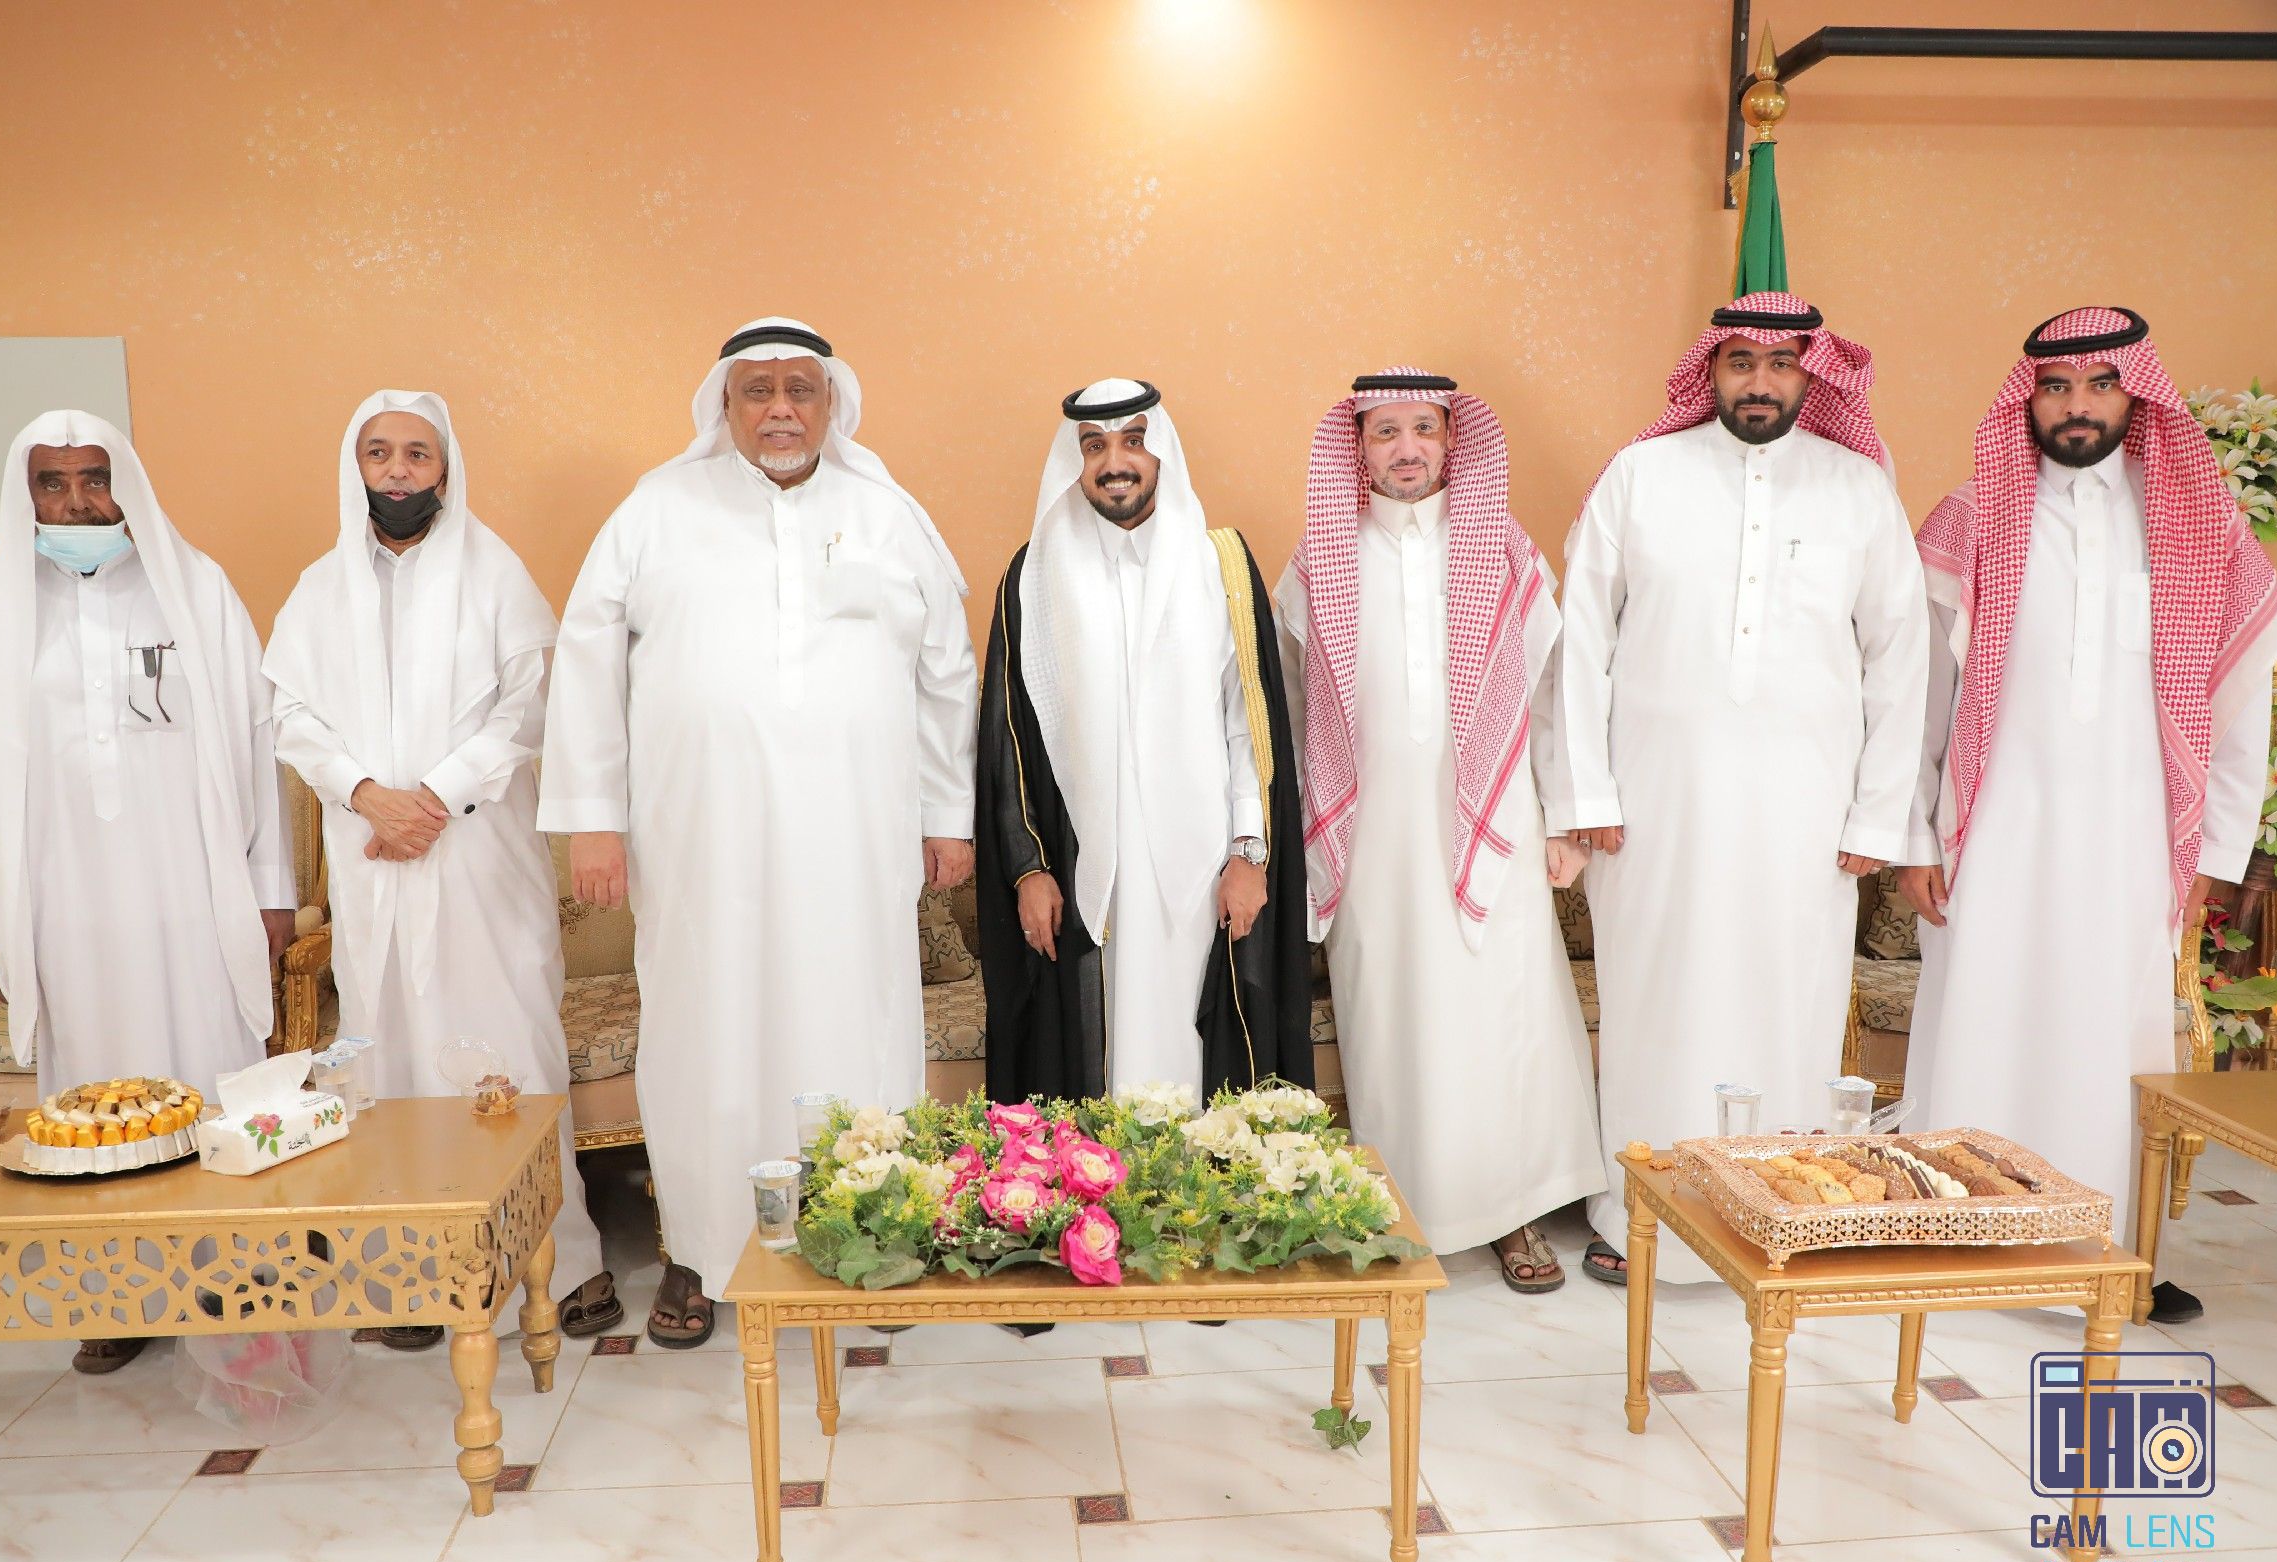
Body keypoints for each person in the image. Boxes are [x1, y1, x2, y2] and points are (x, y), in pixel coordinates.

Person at [540, 319, 976, 1349]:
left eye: (799, 389)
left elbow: (946, 675)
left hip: (854, 833)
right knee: (705, 1023)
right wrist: (594, 821)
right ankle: (700, 1248)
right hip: (702, 835)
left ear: (832, 403)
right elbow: (588, 667)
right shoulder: (655, 512)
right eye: (757, 390)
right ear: (724, 406)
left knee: (856, 1014)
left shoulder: (888, 516)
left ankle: (870, 1228)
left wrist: (946, 816)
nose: (780, 408)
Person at [1901, 307, 2277, 1324]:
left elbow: (2236, 704)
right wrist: (1912, 833)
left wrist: (2216, 853)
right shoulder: (1971, 519)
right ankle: (1958, 1239)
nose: (2077, 405)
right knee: (1980, 1016)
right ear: (2027, 398)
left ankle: (2103, 1256)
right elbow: (1920, 697)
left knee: (2110, 1041)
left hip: (2130, 841)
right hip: (1989, 832)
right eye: (2056, 386)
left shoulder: (2199, 527)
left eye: (2100, 384)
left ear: (2136, 394)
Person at [1551, 292, 1930, 1285]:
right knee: (1655, 1001)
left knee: (1789, 998)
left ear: (1811, 375)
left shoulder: (1858, 489)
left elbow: (1901, 658)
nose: (1760, 382)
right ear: (1709, 371)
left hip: (1807, 810)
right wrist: (1585, 793)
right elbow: (1580, 638)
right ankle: (1636, 1209)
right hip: (1654, 805)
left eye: (1780, 364)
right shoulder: (1640, 475)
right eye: (1740, 363)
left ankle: (1781, 1208)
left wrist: (1879, 812)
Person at [0, 411, 295, 1374]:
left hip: (192, 887)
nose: (76, 502)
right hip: (66, 902)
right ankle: (119, 1291)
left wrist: (271, 888)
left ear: (125, 483)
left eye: (93, 478)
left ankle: (235, 1274)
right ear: (26, 497)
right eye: (52, 484)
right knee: (90, 1097)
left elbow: (257, 746)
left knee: (209, 1067)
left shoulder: (198, 588)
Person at [265, 390, 615, 1349]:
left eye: (417, 454)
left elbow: (529, 705)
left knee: (510, 1043)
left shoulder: (495, 573)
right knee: (389, 1054)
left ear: (446, 468)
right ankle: (414, 1270)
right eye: (379, 453)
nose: (398, 472)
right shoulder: (319, 588)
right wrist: (367, 795)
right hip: (371, 855)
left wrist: (434, 798)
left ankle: (559, 1262)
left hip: (478, 857)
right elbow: (291, 716)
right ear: (356, 468)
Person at [1277, 368, 1606, 1289]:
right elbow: (1296, 714)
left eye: (1423, 428)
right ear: (1358, 447)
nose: (1407, 449)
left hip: (1497, 821)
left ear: (1454, 440)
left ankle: (1515, 1216)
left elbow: (1554, 696)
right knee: (1396, 1021)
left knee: (1503, 1016)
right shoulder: (1319, 561)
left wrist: (1567, 818)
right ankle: (1403, 1203)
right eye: (1386, 432)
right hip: (1371, 837)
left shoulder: (1504, 551)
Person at [976, 379, 1309, 1103]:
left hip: (1205, 869)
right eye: (1094, 446)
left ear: (1162, 454)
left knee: (1205, 1061)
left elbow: (1248, 726)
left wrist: (1250, 854)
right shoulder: (1033, 575)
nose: (1114, 462)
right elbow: (1009, 736)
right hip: (1088, 868)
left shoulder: (1219, 564)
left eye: (1133, 441)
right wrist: (1029, 870)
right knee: (1097, 1058)